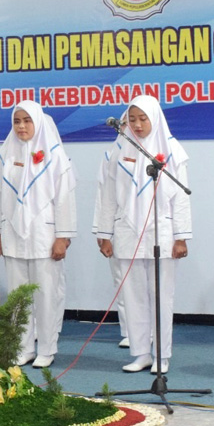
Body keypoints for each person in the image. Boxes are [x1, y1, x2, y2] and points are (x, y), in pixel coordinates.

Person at [95, 96, 191, 374]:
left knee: (161, 296)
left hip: (162, 231)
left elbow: (181, 198)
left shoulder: (172, 150)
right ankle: (140, 353)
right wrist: (104, 232)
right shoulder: (119, 148)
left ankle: (161, 355)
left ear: (155, 119)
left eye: (143, 118)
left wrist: (182, 236)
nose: (137, 124)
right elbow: (108, 194)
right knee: (133, 295)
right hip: (126, 229)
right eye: (132, 119)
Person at [0, 101, 76, 368]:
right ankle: (23, 347)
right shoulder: (5, 154)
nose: (22, 126)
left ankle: (47, 348)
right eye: (17, 121)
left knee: (46, 294)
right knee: (18, 296)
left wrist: (63, 236)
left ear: (37, 122)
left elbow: (65, 200)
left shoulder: (55, 155)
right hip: (13, 234)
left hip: (45, 236)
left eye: (27, 120)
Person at [93, 136, 130, 350]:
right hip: (118, 227)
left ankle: (152, 332)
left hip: (149, 230)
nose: (132, 126)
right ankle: (128, 331)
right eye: (126, 122)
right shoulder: (111, 155)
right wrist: (102, 230)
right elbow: (103, 195)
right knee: (123, 282)